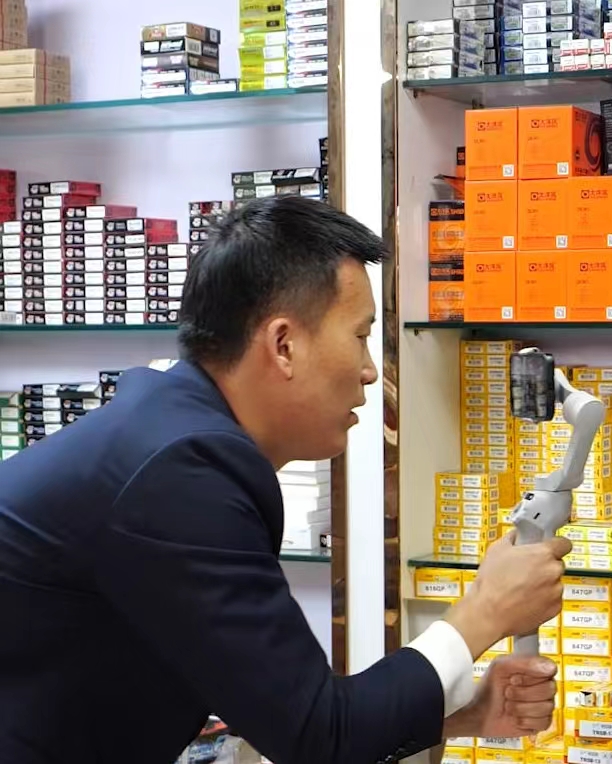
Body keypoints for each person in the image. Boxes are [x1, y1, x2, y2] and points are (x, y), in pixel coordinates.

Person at [0, 196, 571, 764]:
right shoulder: (181, 473)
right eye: (360, 336)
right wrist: (485, 611)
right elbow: (318, 736)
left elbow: (275, 704)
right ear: (283, 345)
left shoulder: (175, 436)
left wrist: (462, 713)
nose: (371, 371)